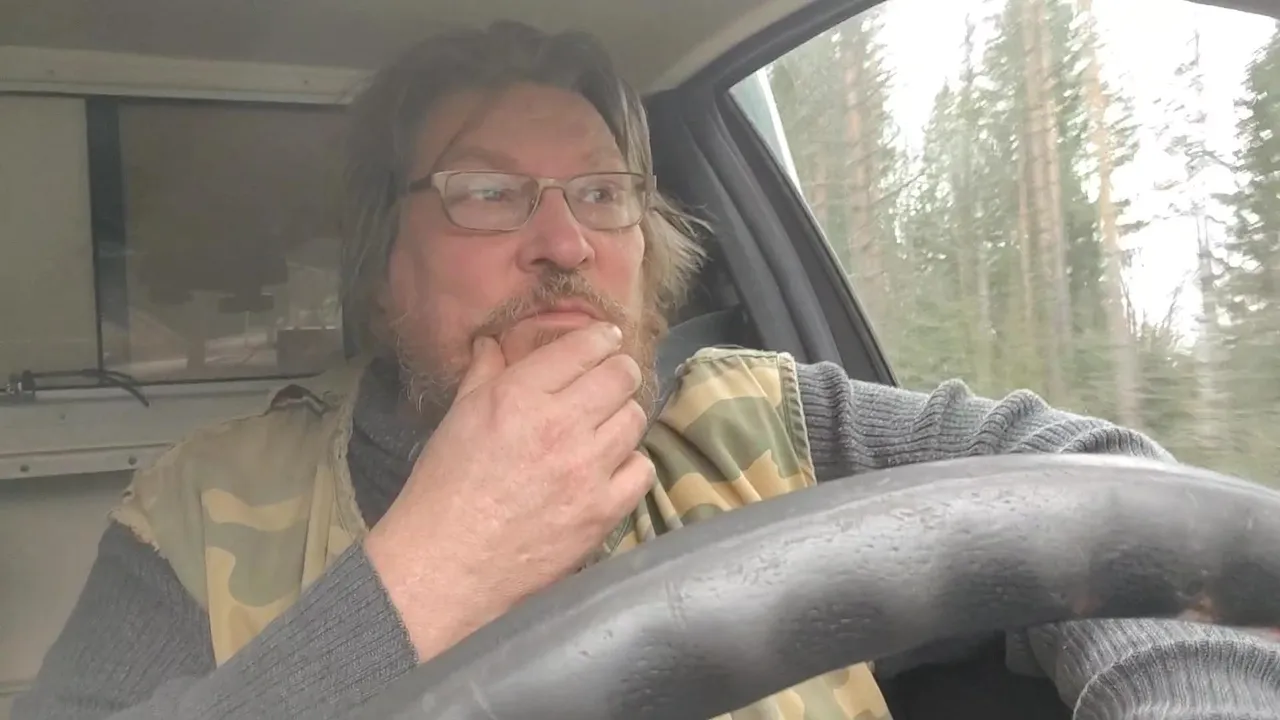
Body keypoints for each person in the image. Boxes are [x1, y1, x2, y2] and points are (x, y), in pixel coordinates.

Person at [13, 20, 1280, 720]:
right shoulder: (201, 507)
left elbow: (1103, 495)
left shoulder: (763, 420)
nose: (564, 243)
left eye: (602, 194)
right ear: (381, 268)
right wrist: (427, 571)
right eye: (485, 192)